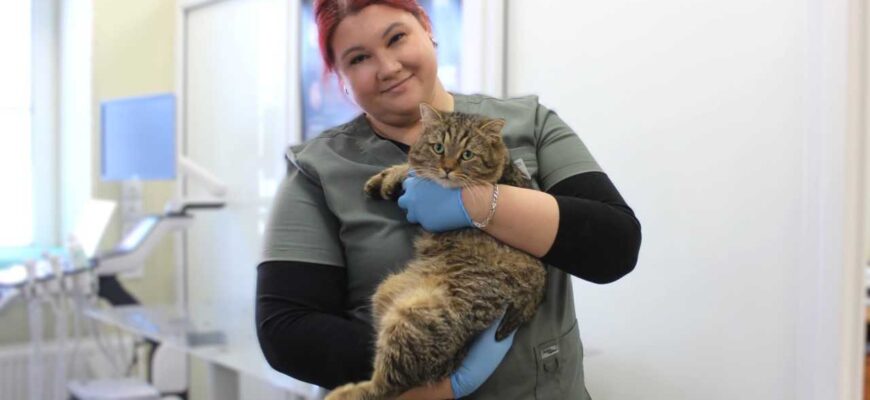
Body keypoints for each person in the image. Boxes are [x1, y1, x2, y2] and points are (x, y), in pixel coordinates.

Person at [255, 0, 642, 398]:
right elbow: (285, 329)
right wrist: (430, 380)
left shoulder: (530, 124)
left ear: (427, 30)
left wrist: (479, 204)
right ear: (341, 77)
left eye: (396, 38)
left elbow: (616, 246)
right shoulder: (317, 170)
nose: (388, 67)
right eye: (358, 58)